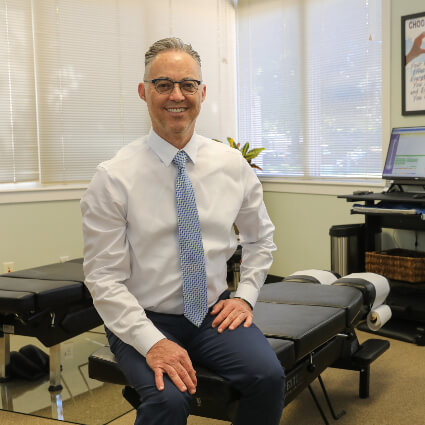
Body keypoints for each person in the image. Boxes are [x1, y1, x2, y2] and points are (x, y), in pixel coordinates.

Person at [81, 37, 285, 425]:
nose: (177, 95)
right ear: (144, 92)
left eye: (187, 84)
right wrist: (153, 342)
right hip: (143, 317)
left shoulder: (231, 166)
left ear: (202, 93)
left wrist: (245, 297)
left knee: (268, 376)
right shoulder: (113, 178)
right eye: (163, 84)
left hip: (212, 314)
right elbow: (104, 279)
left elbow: (261, 239)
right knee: (168, 401)